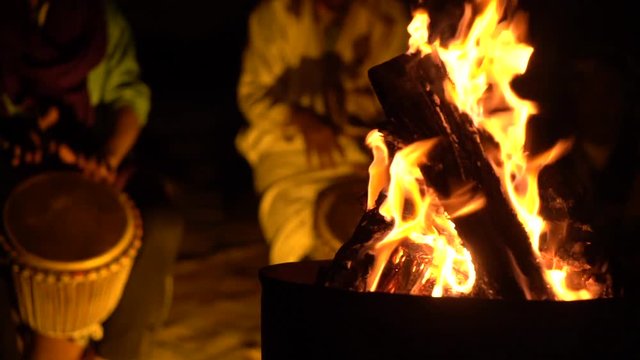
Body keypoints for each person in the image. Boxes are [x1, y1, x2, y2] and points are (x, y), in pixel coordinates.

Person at [0, 0, 182, 359]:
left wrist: (109, 157)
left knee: (161, 222)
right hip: (15, 166)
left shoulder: (99, 16)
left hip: (91, 163)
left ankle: (118, 353)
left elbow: (129, 96)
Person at [236, 0, 410, 264]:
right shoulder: (276, 14)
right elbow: (252, 95)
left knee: (381, 222)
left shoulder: (385, 15)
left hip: (357, 148)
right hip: (289, 147)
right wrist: (301, 119)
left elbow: (391, 95)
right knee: (293, 229)